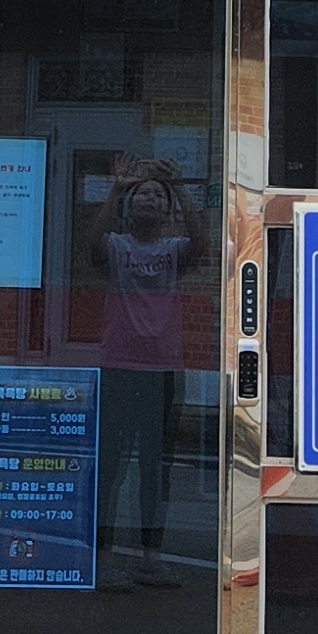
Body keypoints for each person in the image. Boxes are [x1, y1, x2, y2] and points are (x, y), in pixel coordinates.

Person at [97, 164, 193, 587]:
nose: (149, 198)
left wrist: (180, 189)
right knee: (111, 466)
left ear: (168, 209)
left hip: (163, 368)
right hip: (119, 365)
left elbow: (203, 244)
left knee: (157, 467)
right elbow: (92, 243)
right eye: (142, 193)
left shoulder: (174, 249)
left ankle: (152, 557)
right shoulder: (116, 246)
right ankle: (102, 558)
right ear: (129, 205)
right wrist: (115, 190)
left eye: (157, 194)